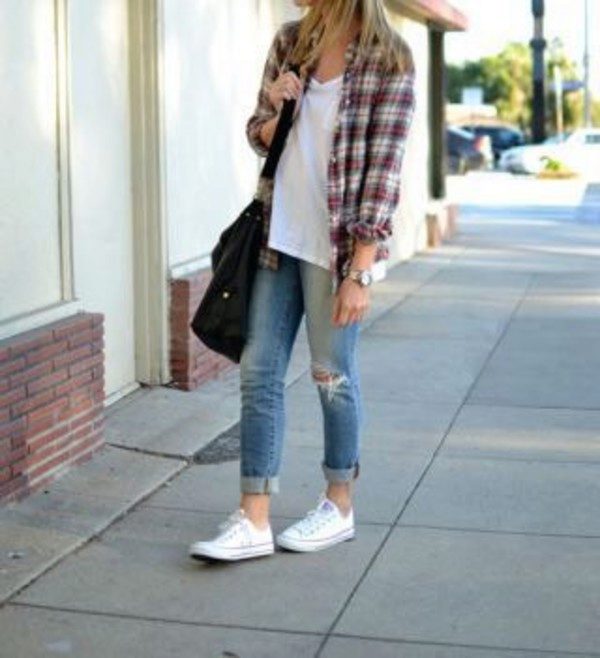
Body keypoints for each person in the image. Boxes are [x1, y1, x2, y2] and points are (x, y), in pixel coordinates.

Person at [189, 0, 415, 561]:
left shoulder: (390, 58)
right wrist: (275, 108)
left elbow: (384, 172)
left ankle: (339, 505)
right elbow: (258, 135)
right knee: (258, 374)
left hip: (335, 250)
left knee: (331, 375)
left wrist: (361, 268)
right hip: (277, 236)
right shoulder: (292, 42)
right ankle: (253, 518)